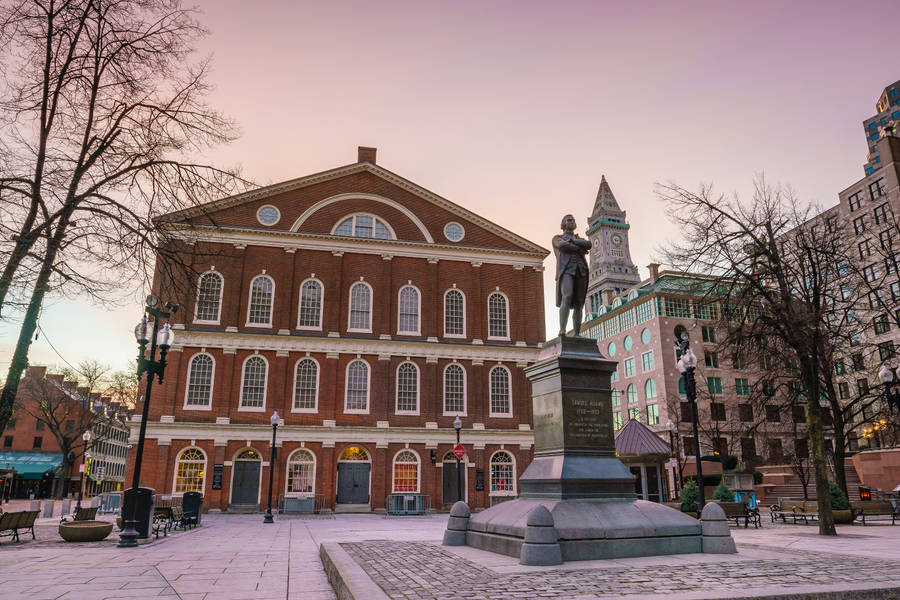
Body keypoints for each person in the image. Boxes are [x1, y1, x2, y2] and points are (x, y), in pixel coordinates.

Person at [553, 214, 591, 336]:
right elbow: (562, 245)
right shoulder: (557, 238)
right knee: (567, 296)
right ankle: (562, 330)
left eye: (573, 220)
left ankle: (577, 333)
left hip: (581, 270)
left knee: (580, 303)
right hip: (567, 271)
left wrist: (574, 241)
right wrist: (578, 247)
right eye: (569, 220)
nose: (572, 222)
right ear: (563, 223)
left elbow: (588, 244)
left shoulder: (579, 238)